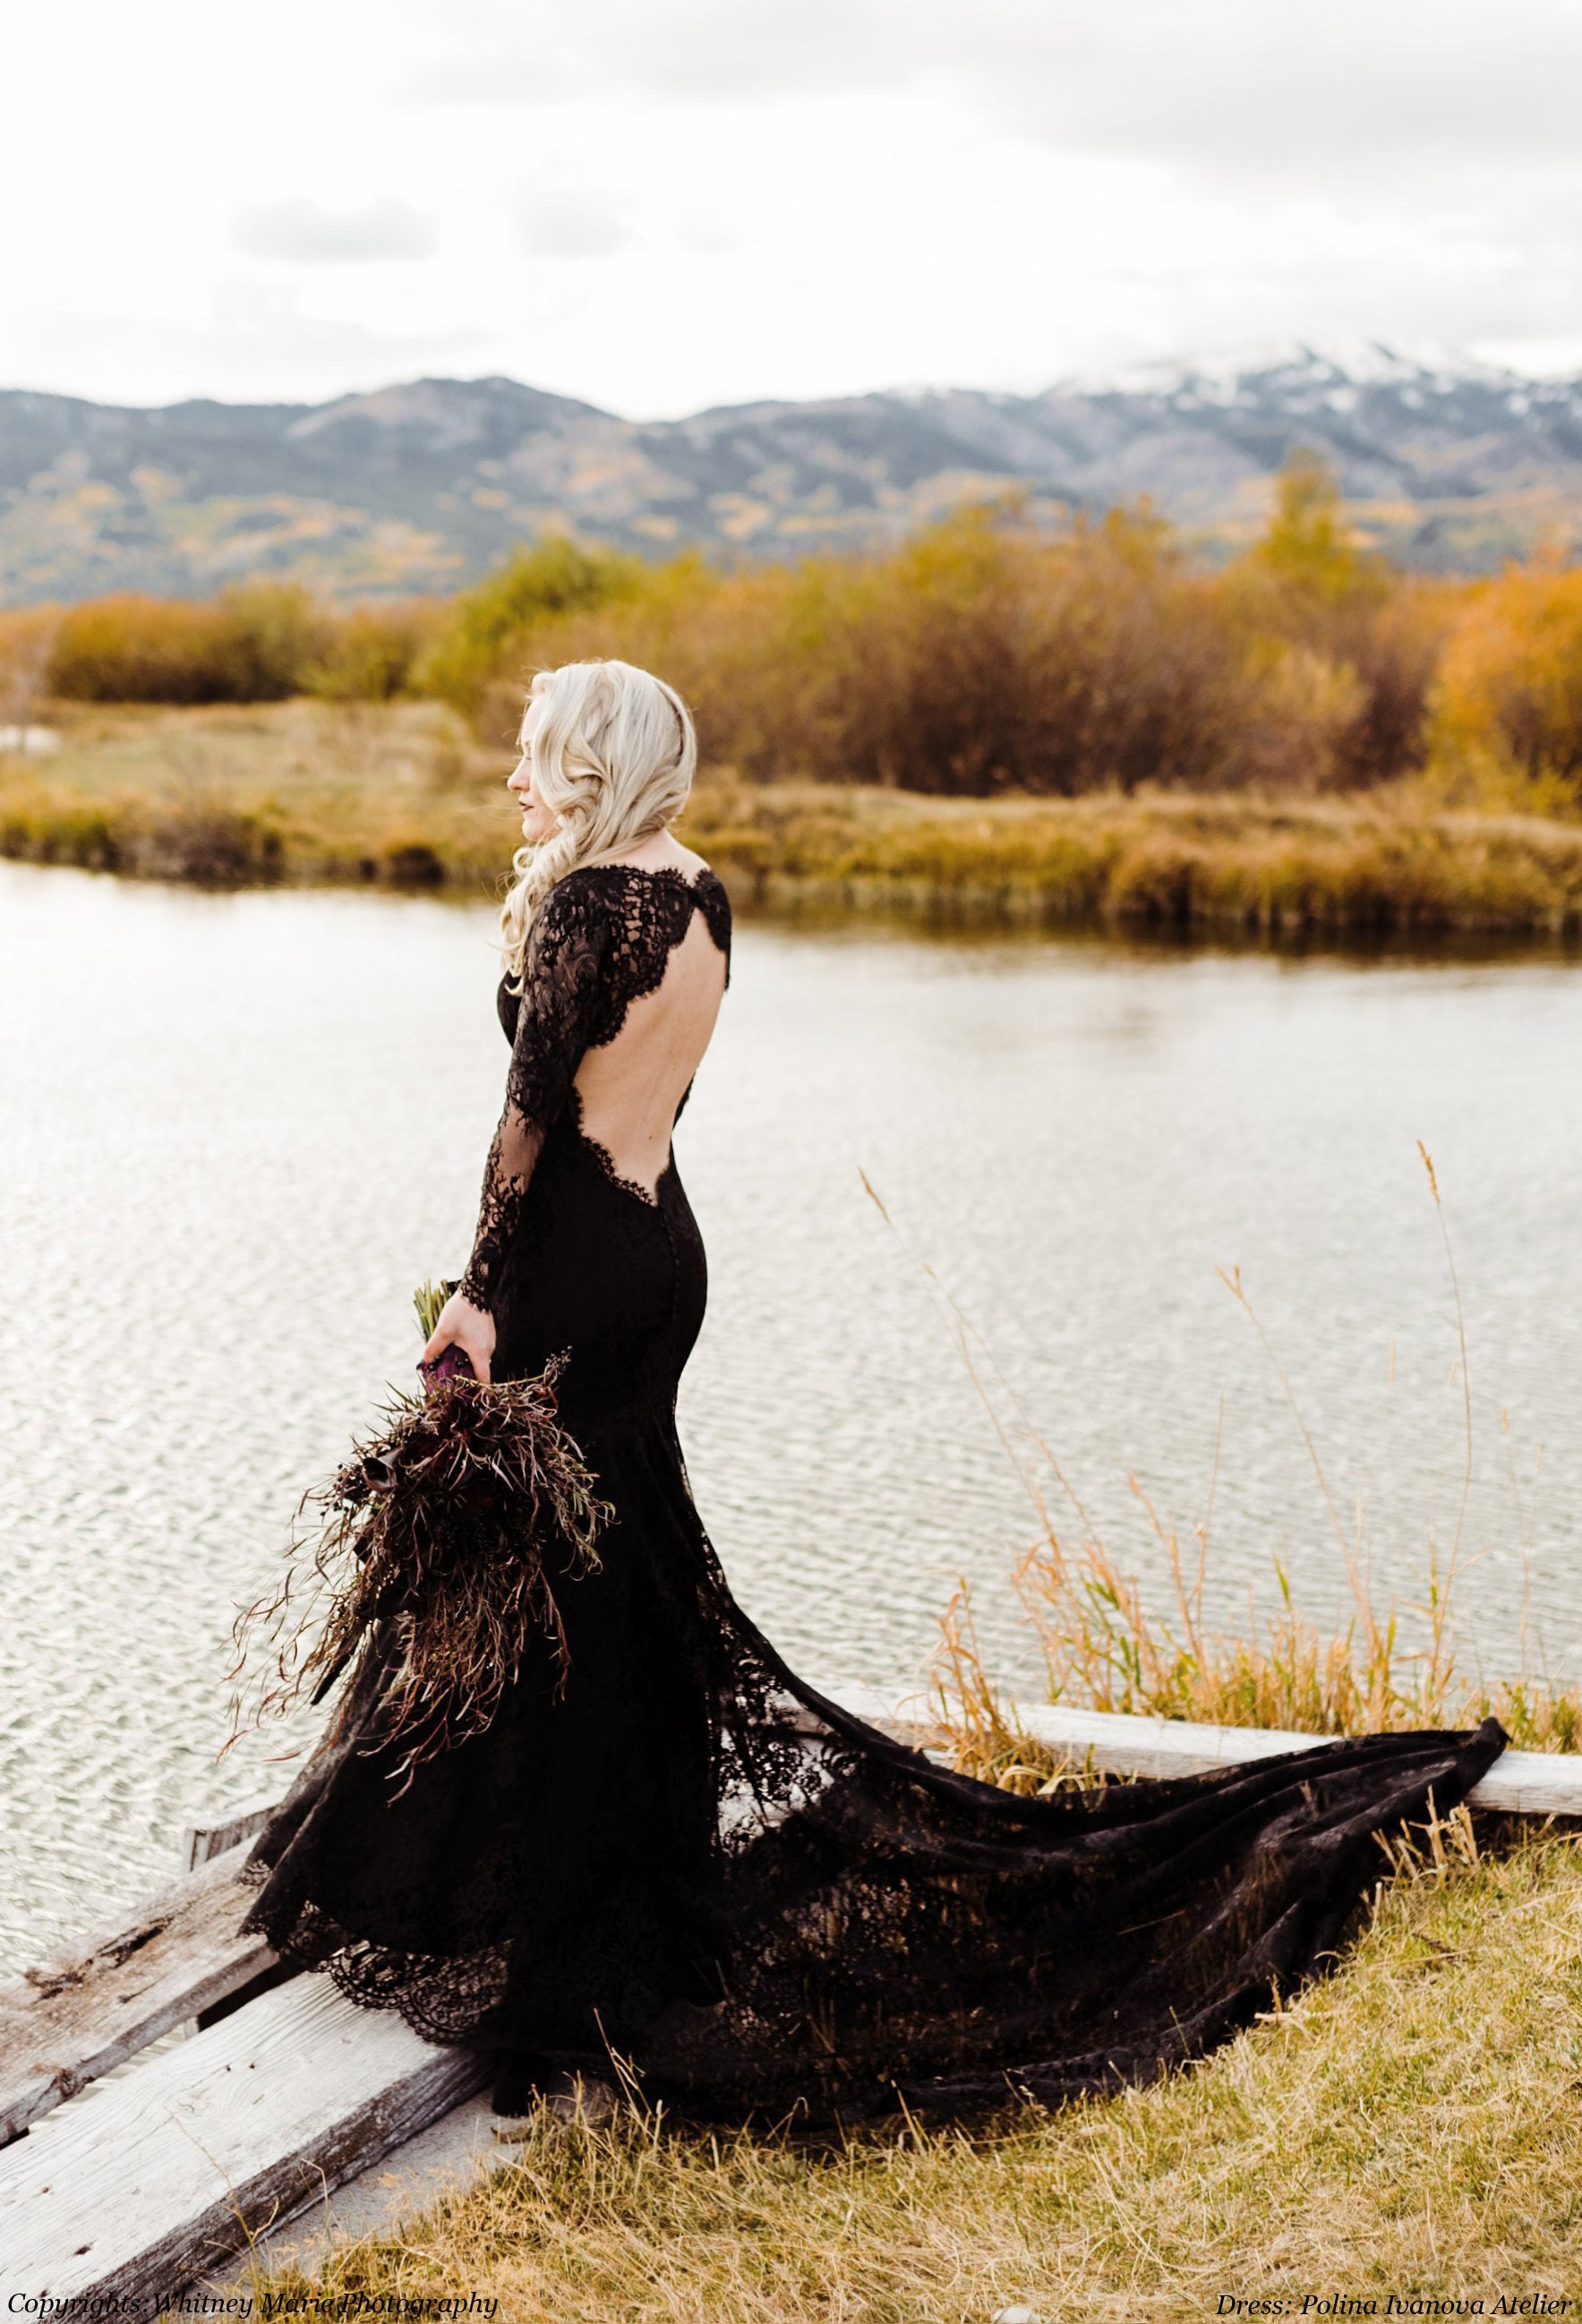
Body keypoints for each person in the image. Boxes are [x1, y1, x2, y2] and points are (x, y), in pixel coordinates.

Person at [240, 658, 1504, 2127]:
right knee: (614, 1563)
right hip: (662, 1249)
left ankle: (564, 1936)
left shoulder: (590, 908)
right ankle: (593, 1879)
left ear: (593, 764)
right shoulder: (700, 894)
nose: (515, 782)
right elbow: (657, 1097)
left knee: (563, 1584)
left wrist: (477, 1296)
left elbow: (526, 1119)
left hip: (572, 1264)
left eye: (535, 759)